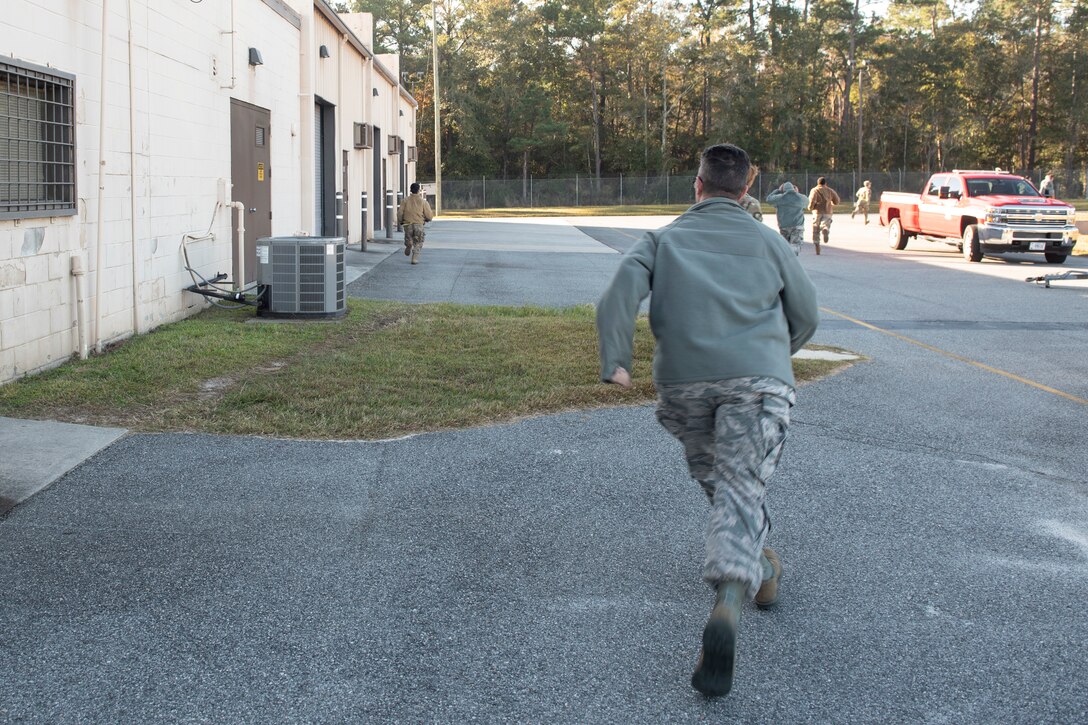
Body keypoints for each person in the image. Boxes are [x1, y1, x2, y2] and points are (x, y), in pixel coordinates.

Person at [596, 143, 819, 698]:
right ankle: (730, 596)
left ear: (696, 186)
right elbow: (807, 315)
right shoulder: (768, 241)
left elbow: (618, 294)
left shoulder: (661, 239)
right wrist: (772, 357)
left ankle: (762, 574)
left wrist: (617, 361)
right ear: (746, 191)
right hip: (756, 384)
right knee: (740, 485)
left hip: (684, 388)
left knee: (723, 486)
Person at [766, 181, 807, 255]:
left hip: (784, 227)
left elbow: (769, 199)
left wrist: (778, 191)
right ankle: (792, 257)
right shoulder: (800, 198)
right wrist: (797, 192)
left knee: (785, 246)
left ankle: (786, 258)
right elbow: (807, 202)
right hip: (797, 226)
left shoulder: (780, 198)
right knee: (796, 244)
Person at [397, 182, 434, 264]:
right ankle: (414, 258)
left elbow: (400, 213)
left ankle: (408, 244)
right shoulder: (423, 202)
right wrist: (427, 219)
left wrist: (401, 221)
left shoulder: (405, 200)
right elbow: (429, 216)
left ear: (410, 190)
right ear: (418, 191)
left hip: (407, 224)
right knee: (419, 241)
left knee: (408, 237)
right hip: (419, 224)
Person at [806, 177, 840, 254]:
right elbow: (837, 201)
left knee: (816, 229)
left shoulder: (814, 190)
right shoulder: (830, 190)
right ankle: (825, 228)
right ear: (825, 183)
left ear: (818, 183)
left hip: (817, 212)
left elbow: (812, 200)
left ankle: (817, 246)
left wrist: (810, 207)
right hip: (827, 211)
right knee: (826, 223)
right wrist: (832, 203)